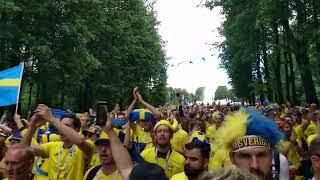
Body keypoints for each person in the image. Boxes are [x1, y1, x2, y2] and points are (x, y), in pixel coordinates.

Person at [22, 104, 94, 180]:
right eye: (60, 126)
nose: (61, 129)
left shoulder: (87, 146)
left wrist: (51, 119)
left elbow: (80, 141)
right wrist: (33, 126)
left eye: (66, 126)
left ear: (77, 129)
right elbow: (23, 150)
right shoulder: (53, 146)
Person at [212, 109, 289, 180]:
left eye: (261, 155)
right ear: (232, 158)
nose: (254, 166)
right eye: (245, 156)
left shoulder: (280, 162)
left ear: (271, 155)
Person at [84, 114, 133, 180]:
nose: (103, 149)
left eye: (108, 145)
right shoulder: (91, 174)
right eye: (100, 144)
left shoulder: (130, 176)